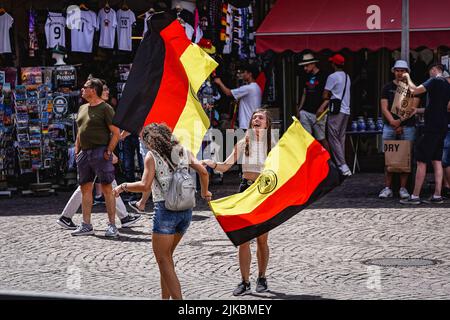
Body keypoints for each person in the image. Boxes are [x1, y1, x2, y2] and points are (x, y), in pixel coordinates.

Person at [113, 123, 212, 299]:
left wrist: (123, 186)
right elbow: (203, 172)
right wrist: (205, 192)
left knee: (163, 260)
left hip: (166, 211)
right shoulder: (182, 151)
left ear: (151, 141)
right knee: (166, 259)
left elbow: (145, 185)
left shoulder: (152, 156)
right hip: (186, 211)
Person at [202, 109, 274, 296]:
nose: (256, 120)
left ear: (267, 124)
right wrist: (213, 164)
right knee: (243, 240)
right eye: (254, 118)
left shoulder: (273, 145)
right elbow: (226, 166)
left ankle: (262, 278)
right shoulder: (244, 142)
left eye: (260, 118)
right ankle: (244, 281)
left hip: (263, 192)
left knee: (262, 240)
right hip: (245, 190)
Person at [71, 77, 121, 237]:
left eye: (85, 87)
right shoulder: (82, 108)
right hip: (84, 153)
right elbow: (79, 131)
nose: (82, 90)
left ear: (93, 90)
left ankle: (112, 225)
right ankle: (86, 224)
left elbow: (116, 132)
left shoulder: (105, 108)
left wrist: (108, 151)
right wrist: (77, 151)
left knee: (107, 188)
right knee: (85, 188)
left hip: (100, 151)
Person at [400, 64, 450, 204]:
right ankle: (437, 195)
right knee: (437, 161)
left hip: (432, 127)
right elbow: (441, 107)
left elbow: (414, 91)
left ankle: (415, 196)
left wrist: (407, 77)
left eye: (430, 72)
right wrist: (418, 110)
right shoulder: (447, 85)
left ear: (435, 70)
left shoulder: (434, 80)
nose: (430, 75)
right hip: (442, 126)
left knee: (421, 160)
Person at [378, 60, 420, 199]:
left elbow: (414, 107)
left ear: (407, 72)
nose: (400, 73)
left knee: (405, 157)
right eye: (397, 70)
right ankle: (387, 187)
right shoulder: (387, 87)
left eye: (402, 70)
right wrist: (393, 122)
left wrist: (400, 122)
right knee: (389, 157)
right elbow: (384, 107)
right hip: (390, 126)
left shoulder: (412, 88)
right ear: (393, 71)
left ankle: (403, 188)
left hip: (407, 126)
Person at [316, 53, 352, 176]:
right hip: (346, 110)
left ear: (333, 65)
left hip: (336, 111)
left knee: (333, 138)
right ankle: (343, 165)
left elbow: (325, 95)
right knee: (341, 137)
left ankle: (343, 165)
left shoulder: (332, 77)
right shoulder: (347, 76)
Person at [214, 63, 261, 129]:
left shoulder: (249, 88)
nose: (243, 74)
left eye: (244, 72)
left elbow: (228, 93)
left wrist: (219, 82)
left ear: (250, 74)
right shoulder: (256, 87)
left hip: (246, 124)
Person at [297, 53, 329, 150]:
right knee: (307, 139)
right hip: (305, 111)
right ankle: (311, 162)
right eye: (304, 66)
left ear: (313, 64)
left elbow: (329, 95)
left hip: (318, 113)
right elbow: (304, 93)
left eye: (306, 65)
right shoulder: (305, 76)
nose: (305, 68)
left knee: (321, 138)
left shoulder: (324, 75)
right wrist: (299, 109)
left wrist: (322, 107)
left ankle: (329, 161)